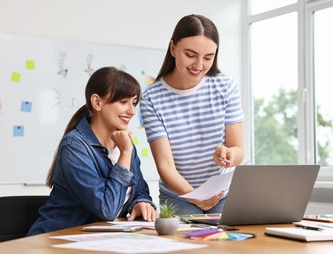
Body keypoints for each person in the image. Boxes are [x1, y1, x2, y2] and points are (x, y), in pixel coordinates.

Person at [27, 66, 157, 236]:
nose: (132, 111)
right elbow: (107, 209)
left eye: (133, 103)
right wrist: (125, 153)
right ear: (97, 102)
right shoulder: (74, 146)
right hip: (58, 239)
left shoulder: (125, 144)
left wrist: (141, 203)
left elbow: (140, 191)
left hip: (102, 239)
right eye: (123, 102)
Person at [140, 14, 244, 214]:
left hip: (224, 194)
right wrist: (195, 196)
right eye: (190, 54)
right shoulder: (152, 98)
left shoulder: (226, 86)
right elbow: (165, 166)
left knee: (228, 245)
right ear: (173, 48)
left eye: (208, 57)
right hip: (178, 196)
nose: (199, 65)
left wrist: (229, 155)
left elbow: (238, 149)